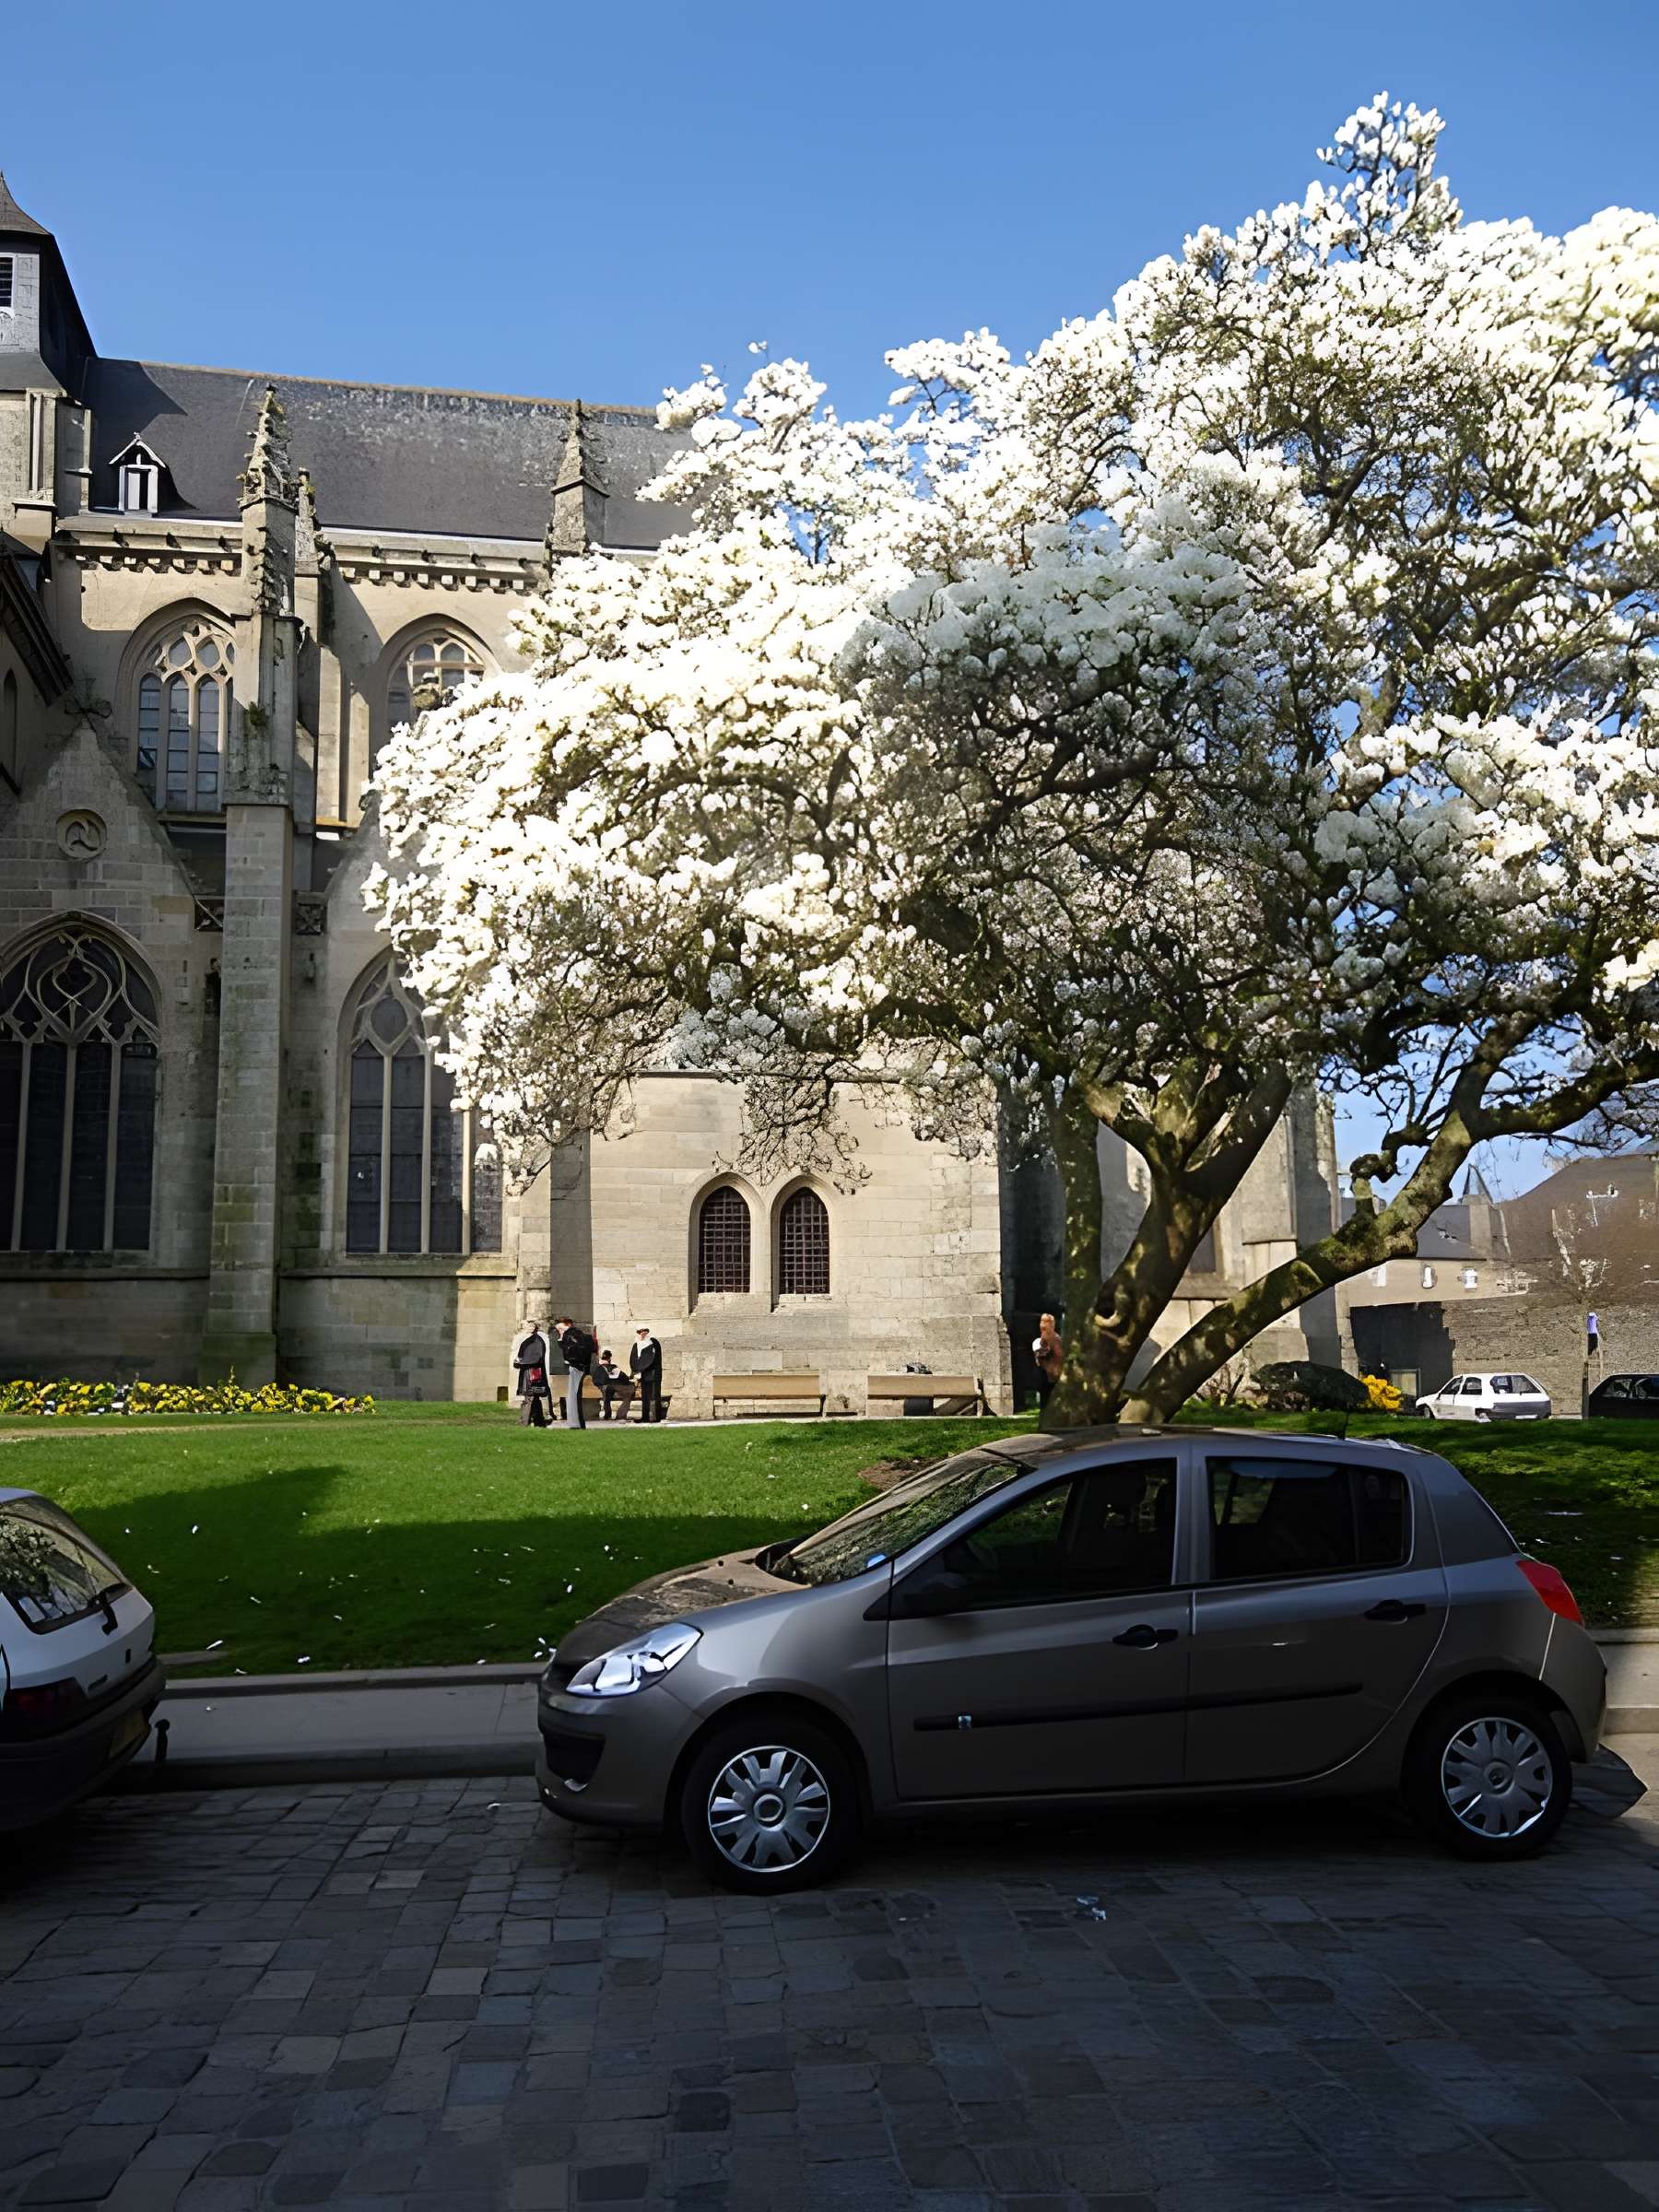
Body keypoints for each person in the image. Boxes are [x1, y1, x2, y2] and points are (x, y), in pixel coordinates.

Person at [556, 1315, 594, 1430]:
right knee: (572, 1396)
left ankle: (575, 1423)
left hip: (576, 1367)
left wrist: (570, 1360)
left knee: (573, 1396)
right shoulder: (574, 1335)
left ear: (567, 1325)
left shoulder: (571, 1335)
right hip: (577, 1367)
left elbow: (572, 1351)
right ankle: (575, 1422)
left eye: (561, 1328)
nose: (560, 1331)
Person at [513, 1320, 553, 1428]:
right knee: (534, 1398)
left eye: (529, 1325)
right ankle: (539, 1421)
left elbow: (535, 1358)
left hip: (532, 1373)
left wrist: (520, 1362)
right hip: (530, 1371)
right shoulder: (531, 1340)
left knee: (530, 1397)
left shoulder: (537, 1341)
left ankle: (524, 1422)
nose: (526, 1327)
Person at [630, 1325, 664, 1423]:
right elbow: (635, 1359)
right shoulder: (637, 1344)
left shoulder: (653, 1343)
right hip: (644, 1373)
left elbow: (653, 1358)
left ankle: (655, 1417)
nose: (643, 1334)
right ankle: (645, 1417)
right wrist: (636, 1371)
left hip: (653, 1373)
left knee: (654, 1395)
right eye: (640, 1332)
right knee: (645, 1396)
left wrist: (642, 1368)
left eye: (645, 1332)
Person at [593, 1347, 635, 1422]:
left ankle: (607, 1414)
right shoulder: (613, 1367)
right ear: (609, 1358)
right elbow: (624, 1378)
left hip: (603, 1389)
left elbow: (595, 1380)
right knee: (630, 1392)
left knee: (607, 1396)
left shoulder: (597, 1369)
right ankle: (620, 1415)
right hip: (612, 1388)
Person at [1032, 1312, 1063, 1408]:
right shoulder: (1041, 1340)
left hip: (1053, 1374)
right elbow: (1040, 1353)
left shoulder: (1056, 1339)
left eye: (1047, 1323)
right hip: (1046, 1373)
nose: (1043, 1325)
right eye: (1043, 1322)